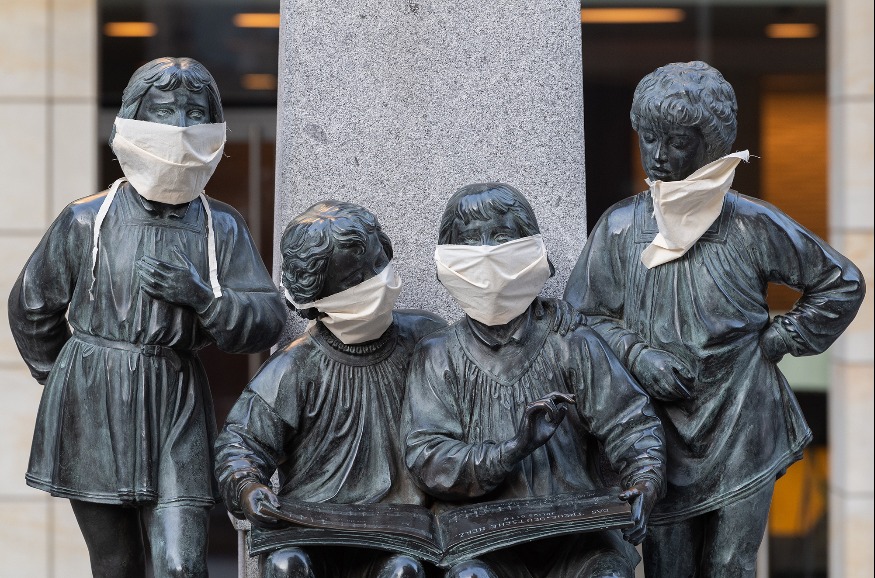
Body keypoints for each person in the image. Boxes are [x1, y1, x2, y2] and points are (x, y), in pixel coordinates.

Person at [564, 61, 866, 577]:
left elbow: (842, 282)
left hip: (744, 419)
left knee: (731, 564)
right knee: (668, 566)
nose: (659, 156)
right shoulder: (619, 228)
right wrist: (637, 355)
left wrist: (782, 336)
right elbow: (578, 320)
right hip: (659, 428)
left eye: (678, 142)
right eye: (650, 139)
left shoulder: (751, 224)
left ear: (710, 145)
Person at [7, 57, 286, 577]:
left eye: (194, 114)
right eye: (163, 112)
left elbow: (268, 318)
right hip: (94, 396)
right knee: (116, 563)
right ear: (135, 119)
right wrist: (65, 377)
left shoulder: (221, 225)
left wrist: (204, 298)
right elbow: (31, 306)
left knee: (181, 565)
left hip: (176, 397)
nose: (179, 127)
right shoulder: (85, 219)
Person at [402, 183, 666, 578]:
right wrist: (511, 450)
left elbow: (631, 424)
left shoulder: (572, 341)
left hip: (575, 536)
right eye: (471, 242)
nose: (486, 255)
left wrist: (644, 482)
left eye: (501, 238)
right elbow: (427, 458)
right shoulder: (437, 354)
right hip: (483, 539)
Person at [215, 200, 447, 578]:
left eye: (379, 263)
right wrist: (247, 486)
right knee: (286, 565)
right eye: (356, 278)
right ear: (319, 296)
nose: (377, 280)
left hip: (397, 531)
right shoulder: (294, 367)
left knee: (404, 571)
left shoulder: (426, 338)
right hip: (312, 529)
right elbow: (241, 442)